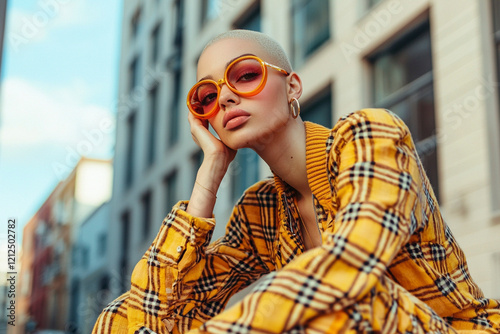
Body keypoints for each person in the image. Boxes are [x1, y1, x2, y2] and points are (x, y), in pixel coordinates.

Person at [93, 30, 500, 334]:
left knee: (348, 299)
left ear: (293, 86)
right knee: (114, 319)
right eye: (207, 96)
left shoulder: (369, 135)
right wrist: (209, 174)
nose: (227, 98)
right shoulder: (261, 211)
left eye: (245, 75)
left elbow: (352, 267)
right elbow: (155, 312)